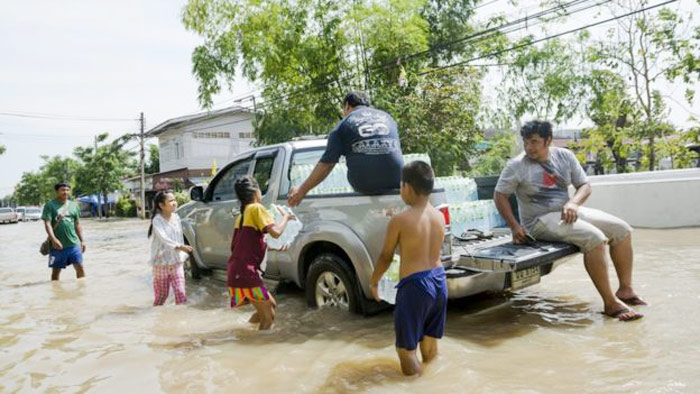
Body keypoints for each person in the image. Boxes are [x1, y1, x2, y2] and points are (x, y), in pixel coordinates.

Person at [494, 120, 646, 322]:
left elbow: (584, 185)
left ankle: (625, 290)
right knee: (596, 239)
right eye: (526, 142)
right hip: (539, 221)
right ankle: (610, 303)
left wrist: (574, 203)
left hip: (568, 212)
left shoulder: (564, 156)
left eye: (534, 142)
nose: (529, 147)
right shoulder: (516, 166)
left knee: (622, 230)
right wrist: (514, 226)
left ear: (548, 140)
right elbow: (499, 195)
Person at [369, 161, 448, 376]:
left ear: (407, 187)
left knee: (405, 350)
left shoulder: (400, 220)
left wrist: (374, 281)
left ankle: (416, 387)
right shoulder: (439, 216)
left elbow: (386, 256)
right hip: (439, 281)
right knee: (430, 346)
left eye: (400, 186)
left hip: (415, 286)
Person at [287, 90, 404, 206]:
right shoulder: (388, 118)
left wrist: (301, 191)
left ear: (347, 106)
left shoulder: (343, 125)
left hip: (366, 190)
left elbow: (327, 165)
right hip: (399, 185)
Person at [229, 176, 295, 330]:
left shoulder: (243, 213)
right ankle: (258, 346)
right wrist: (286, 217)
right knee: (268, 316)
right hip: (246, 273)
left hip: (237, 271)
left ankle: (244, 331)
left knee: (270, 305)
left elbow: (241, 245)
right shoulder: (257, 208)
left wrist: (269, 248)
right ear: (255, 191)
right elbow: (276, 232)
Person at [148, 191, 192, 306]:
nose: (175, 203)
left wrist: (182, 251)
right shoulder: (157, 220)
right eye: (171, 201)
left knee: (181, 294)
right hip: (161, 262)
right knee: (161, 297)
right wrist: (179, 246)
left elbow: (179, 236)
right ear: (161, 205)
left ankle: (181, 322)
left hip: (176, 261)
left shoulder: (176, 218)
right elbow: (164, 238)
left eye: (175, 200)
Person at [42, 181, 86, 281]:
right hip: (57, 246)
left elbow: (77, 224)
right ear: (57, 192)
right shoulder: (50, 205)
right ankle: (56, 292)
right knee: (56, 272)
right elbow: (47, 224)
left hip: (73, 244)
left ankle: (82, 291)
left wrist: (82, 240)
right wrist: (53, 240)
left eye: (67, 190)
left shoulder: (74, 205)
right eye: (62, 190)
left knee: (80, 268)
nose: (65, 192)